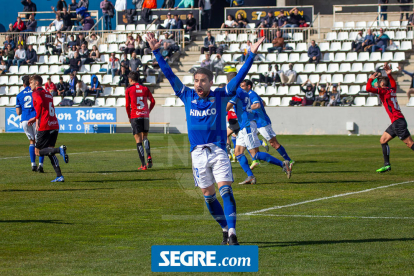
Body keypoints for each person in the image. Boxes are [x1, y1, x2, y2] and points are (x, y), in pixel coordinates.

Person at [147, 32, 264, 245]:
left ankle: (233, 234)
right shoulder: (187, 95)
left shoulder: (220, 95)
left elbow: (238, 78)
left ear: (211, 82)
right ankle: (224, 227)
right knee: (208, 197)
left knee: (226, 190)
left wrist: (251, 55)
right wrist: (156, 52)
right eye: (196, 81)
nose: (198, 84)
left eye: (203, 81)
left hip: (218, 151)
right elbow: (169, 75)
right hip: (198, 154)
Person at [366, 64, 414, 173]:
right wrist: (389, 74)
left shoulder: (383, 91)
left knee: (410, 144)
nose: (376, 84)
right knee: (383, 140)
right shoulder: (391, 90)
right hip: (397, 121)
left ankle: (387, 165)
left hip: (398, 122)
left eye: (378, 83)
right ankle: (387, 165)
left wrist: (370, 79)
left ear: (382, 84)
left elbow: (368, 88)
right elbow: (393, 83)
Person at [27, 75, 69, 182]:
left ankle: (59, 149)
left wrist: (36, 118)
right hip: (54, 123)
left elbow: (40, 103)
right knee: (49, 152)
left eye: (31, 83)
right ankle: (59, 175)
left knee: (38, 151)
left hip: (45, 125)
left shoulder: (36, 93)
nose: (29, 85)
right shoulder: (48, 93)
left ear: (36, 83)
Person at [246, 79, 294, 170]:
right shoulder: (248, 95)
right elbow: (263, 102)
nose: (241, 87)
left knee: (273, 143)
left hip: (261, 122)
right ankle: (255, 160)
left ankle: (288, 161)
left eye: (243, 86)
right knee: (248, 141)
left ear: (248, 86)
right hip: (254, 122)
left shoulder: (251, 94)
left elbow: (257, 105)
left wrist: (245, 108)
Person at [125, 71, 156, 170]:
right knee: (145, 138)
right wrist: (148, 111)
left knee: (138, 140)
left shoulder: (129, 89)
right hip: (145, 116)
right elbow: (153, 101)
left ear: (130, 79)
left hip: (135, 116)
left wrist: (129, 116)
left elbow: (127, 105)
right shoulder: (145, 88)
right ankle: (149, 156)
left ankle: (143, 165)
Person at [16, 75, 45, 172]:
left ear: (23, 84)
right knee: (40, 142)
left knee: (32, 142)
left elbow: (18, 112)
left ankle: (33, 164)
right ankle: (40, 165)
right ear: (30, 82)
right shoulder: (35, 92)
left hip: (25, 120)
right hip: (35, 119)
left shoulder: (19, 95)